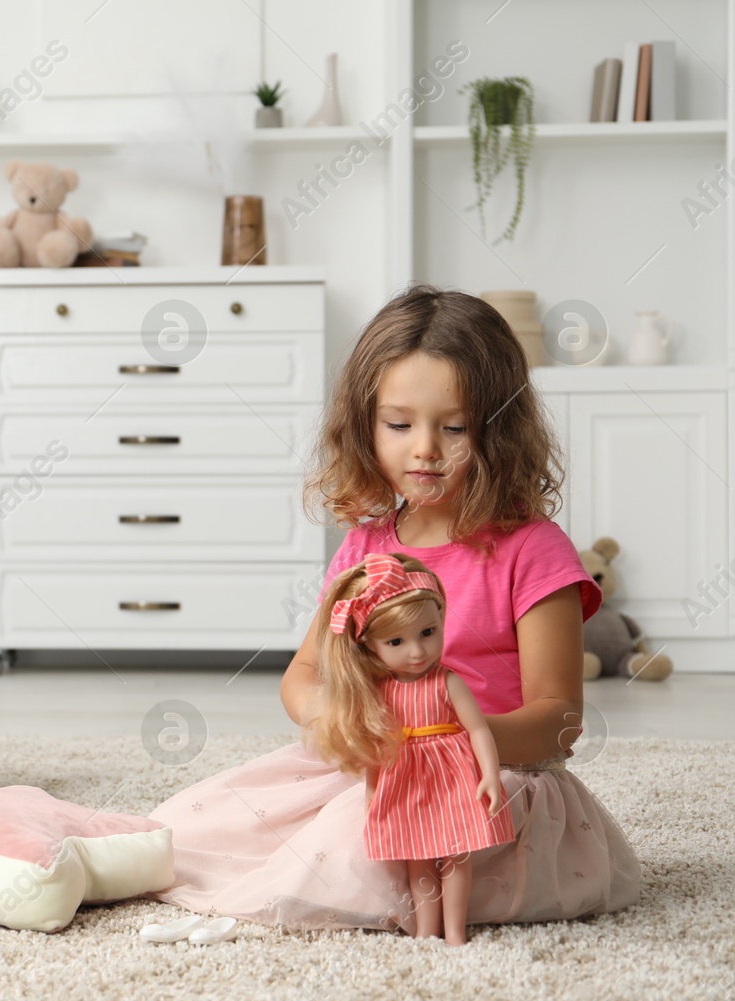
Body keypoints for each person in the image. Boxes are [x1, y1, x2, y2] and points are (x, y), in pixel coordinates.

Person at [147, 284, 642, 936]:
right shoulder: (366, 545)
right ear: (364, 425)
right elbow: (304, 675)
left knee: (355, 840)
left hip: (491, 782)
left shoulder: (533, 548)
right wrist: (342, 722)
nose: (425, 449)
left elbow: (560, 721)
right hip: (376, 765)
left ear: (499, 430)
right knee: (190, 824)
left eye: (455, 426)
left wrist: (453, 743)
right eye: (400, 424)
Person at [306, 552, 514, 946]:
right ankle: (425, 931)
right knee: (417, 860)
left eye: (428, 633)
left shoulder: (448, 681)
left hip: (452, 776)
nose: (417, 651)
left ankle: (455, 931)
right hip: (404, 778)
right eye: (397, 642)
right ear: (368, 646)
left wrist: (488, 773)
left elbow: (479, 730)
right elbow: (377, 747)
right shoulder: (379, 693)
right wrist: (371, 791)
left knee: (457, 856)